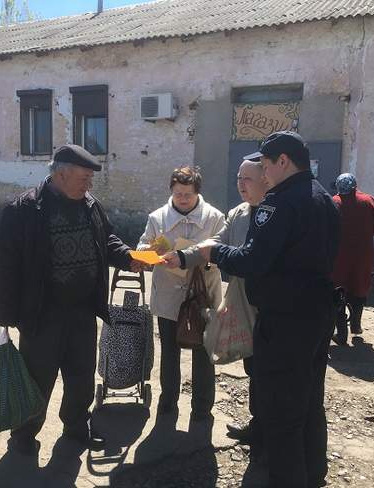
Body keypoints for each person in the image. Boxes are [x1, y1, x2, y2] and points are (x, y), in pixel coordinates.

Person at [177, 131, 340, 488]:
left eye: (265, 166)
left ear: (283, 162)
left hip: (284, 320)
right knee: (309, 399)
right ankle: (314, 473)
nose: (262, 175)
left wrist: (213, 253)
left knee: (282, 412)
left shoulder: (279, 202)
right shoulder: (323, 197)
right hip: (317, 313)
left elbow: (252, 261)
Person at [0, 144, 142, 457]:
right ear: (61, 174)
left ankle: (76, 427)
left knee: (81, 377)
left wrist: (128, 257)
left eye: (90, 179)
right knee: (38, 379)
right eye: (84, 178)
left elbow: (108, 238)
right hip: (42, 313)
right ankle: (23, 436)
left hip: (82, 311)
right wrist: (5, 318)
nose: (89, 185)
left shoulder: (90, 205)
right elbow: (5, 266)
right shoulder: (24, 210)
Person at [164, 160, 268, 445]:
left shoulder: (277, 213)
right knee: (252, 365)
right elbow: (215, 245)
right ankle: (259, 425)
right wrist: (183, 257)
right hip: (244, 299)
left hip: (275, 306)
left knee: (272, 369)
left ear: (266, 180)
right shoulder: (238, 214)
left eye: (248, 178)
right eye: (239, 177)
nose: (241, 184)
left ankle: (274, 435)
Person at [137, 166, 225, 421]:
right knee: (170, 351)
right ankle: (168, 402)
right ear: (171, 192)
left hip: (203, 294)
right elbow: (143, 244)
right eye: (178, 194)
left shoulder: (214, 217)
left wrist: (195, 259)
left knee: (204, 353)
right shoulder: (157, 218)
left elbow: (223, 250)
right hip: (168, 296)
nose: (183, 199)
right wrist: (150, 251)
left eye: (187, 194)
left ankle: (202, 408)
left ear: (198, 192)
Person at [331, 173, 374, 345]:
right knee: (359, 287)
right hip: (363, 255)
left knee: (338, 290)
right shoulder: (368, 201)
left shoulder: (334, 202)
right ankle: (356, 324)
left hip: (338, 256)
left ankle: (341, 333)